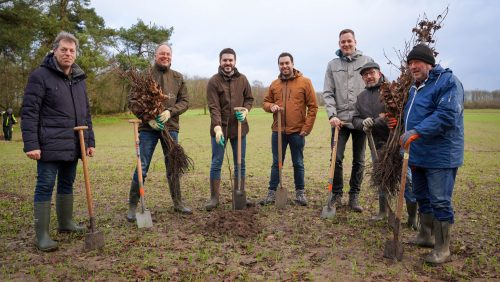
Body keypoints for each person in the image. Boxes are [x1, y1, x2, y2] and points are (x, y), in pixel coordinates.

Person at [21, 31, 94, 251]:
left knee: (66, 183)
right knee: (44, 186)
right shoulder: (40, 76)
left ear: (76, 54)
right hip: (48, 145)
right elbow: (29, 112)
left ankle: (65, 223)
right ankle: (41, 235)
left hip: (73, 143)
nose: (68, 54)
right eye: (64, 49)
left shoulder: (79, 79)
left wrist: (90, 141)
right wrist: (32, 144)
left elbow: (85, 113)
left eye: (72, 50)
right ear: (54, 50)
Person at [400, 43, 464, 264]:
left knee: (439, 200)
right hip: (419, 154)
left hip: (440, 154)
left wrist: (416, 131)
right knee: (422, 197)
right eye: (410, 63)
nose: (412, 66)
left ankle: (443, 248)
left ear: (429, 63)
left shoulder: (447, 82)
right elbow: (413, 116)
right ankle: (426, 236)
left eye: (417, 62)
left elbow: (447, 116)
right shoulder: (415, 87)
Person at [127, 42, 191, 219]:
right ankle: (132, 205)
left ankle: (178, 202)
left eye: (168, 54)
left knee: (173, 165)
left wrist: (170, 112)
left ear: (171, 57)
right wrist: (149, 119)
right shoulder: (145, 76)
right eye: (162, 54)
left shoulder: (178, 77)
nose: (165, 57)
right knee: (143, 166)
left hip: (170, 128)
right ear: (155, 56)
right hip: (148, 129)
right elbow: (132, 101)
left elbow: (185, 101)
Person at [352, 62, 417, 229]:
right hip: (377, 144)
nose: (368, 76)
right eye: (365, 74)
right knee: (381, 177)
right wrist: (363, 123)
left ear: (379, 73)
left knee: (407, 178)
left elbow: (404, 113)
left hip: (398, 142)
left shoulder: (394, 91)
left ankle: (412, 217)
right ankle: (383, 212)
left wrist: (390, 121)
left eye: (371, 73)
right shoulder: (361, 98)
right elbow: (355, 119)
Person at [322, 29, 374, 213]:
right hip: (340, 122)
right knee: (336, 158)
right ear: (339, 44)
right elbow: (328, 92)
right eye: (343, 42)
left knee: (359, 160)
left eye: (349, 41)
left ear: (355, 41)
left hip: (361, 121)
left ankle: (354, 195)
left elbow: (374, 87)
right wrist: (332, 115)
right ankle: (336, 194)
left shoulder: (367, 61)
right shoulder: (332, 65)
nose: (346, 44)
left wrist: (371, 114)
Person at [260, 52, 318, 206]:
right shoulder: (274, 84)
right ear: (279, 65)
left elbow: (313, 107)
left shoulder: (305, 82)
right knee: (276, 162)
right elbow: (265, 102)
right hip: (277, 131)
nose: (284, 66)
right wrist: (271, 106)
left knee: (298, 163)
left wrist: (307, 127)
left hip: (297, 131)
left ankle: (300, 193)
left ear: (292, 64)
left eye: (287, 63)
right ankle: (272, 193)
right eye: (281, 64)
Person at [204, 48, 254, 210]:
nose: (228, 63)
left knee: (240, 163)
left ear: (235, 61)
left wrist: (246, 110)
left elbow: (249, 99)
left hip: (240, 128)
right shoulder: (213, 81)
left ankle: (239, 194)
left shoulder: (243, 79)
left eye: (230, 60)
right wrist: (217, 127)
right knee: (217, 162)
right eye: (225, 60)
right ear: (220, 62)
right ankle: (214, 198)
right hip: (220, 130)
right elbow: (214, 107)